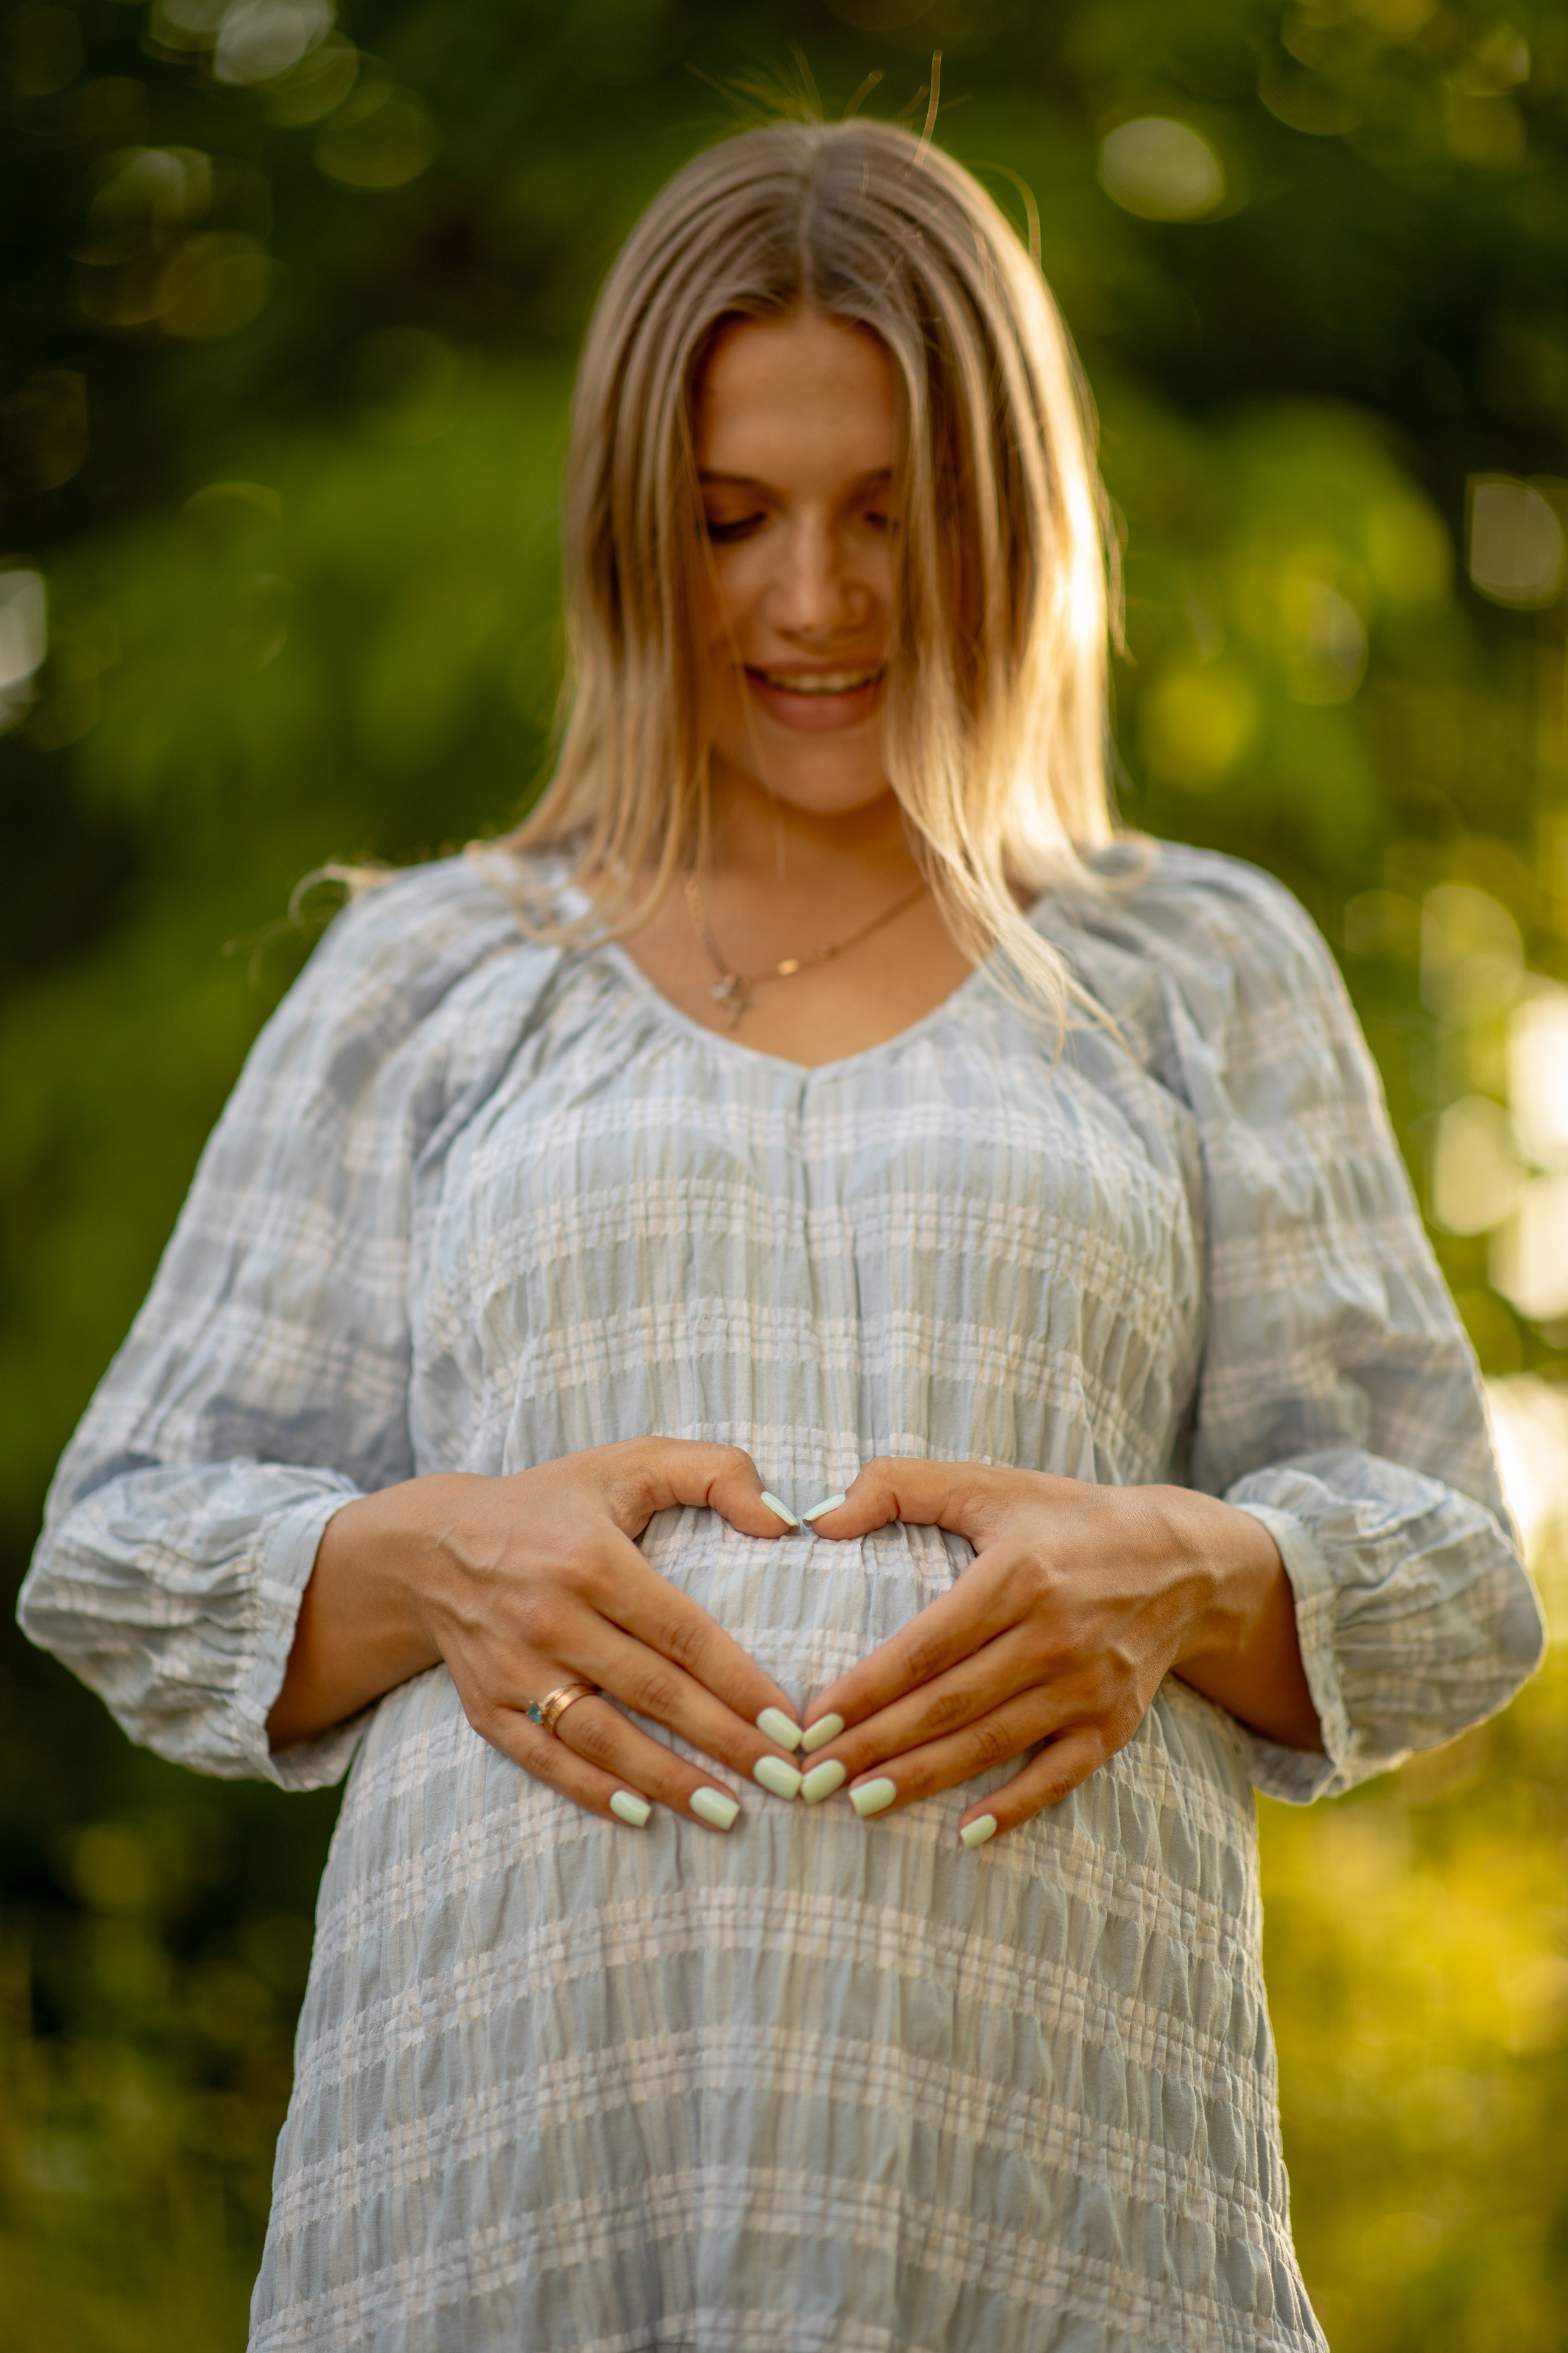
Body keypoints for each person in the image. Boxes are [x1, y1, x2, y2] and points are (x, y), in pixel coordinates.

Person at [19, 113, 1544, 2353]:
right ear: (633, 536)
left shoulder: (1192, 966)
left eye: (891, 515)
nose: (814, 599)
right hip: (501, 2187)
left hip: (1051, 2193)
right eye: (732, 520)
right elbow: (123, 1542)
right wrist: (436, 1558)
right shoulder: (437, 975)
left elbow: (1456, 1572)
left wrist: (1187, 1569)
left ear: (1012, 522)